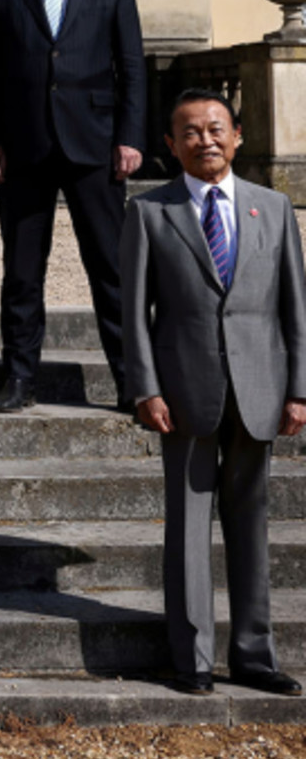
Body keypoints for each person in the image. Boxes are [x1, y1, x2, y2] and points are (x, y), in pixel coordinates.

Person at [121, 90, 306, 697]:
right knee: (188, 527)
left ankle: (254, 656)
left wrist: (298, 390)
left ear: (238, 136)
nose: (206, 140)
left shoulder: (273, 208)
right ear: (170, 145)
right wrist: (145, 388)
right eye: (191, 132)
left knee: (251, 526)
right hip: (183, 395)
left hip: (260, 389)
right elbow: (134, 313)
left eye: (217, 129)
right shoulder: (150, 213)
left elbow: (295, 310)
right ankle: (192, 659)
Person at [0, 0, 145, 414]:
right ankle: (20, 377)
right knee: (23, 271)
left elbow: (132, 68)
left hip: (95, 145)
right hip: (22, 147)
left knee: (112, 270)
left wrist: (130, 138)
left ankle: (130, 382)